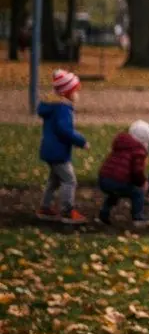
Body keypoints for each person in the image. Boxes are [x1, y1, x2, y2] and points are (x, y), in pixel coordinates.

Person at [36, 68, 87, 224]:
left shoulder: (51, 106)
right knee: (69, 180)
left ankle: (45, 208)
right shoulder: (62, 108)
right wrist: (81, 141)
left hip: (50, 149)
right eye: (74, 90)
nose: (77, 94)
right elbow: (64, 130)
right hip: (58, 151)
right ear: (66, 92)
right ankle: (67, 211)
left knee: (54, 180)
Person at [98, 120, 149, 226]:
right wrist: (142, 182)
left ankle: (103, 214)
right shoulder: (138, 151)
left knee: (114, 193)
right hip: (117, 180)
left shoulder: (121, 144)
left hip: (104, 179)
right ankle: (138, 217)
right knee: (138, 192)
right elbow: (137, 172)